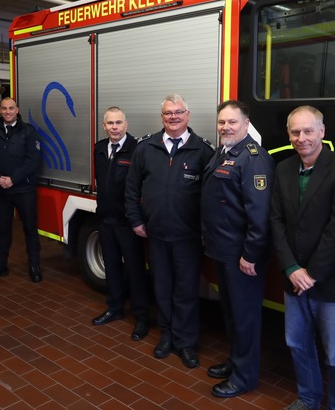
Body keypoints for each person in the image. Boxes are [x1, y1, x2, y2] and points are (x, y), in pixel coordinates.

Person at [271, 106, 335, 410]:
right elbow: (276, 221)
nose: (301, 137)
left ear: (322, 131)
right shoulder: (282, 168)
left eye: (308, 130)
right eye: (295, 131)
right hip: (294, 278)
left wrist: (312, 273)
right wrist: (292, 268)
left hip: (330, 281)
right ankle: (308, 399)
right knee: (297, 344)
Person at [125, 94, 214, 368]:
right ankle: (166, 335)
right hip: (157, 235)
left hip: (188, 237)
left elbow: (211, 198)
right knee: (162, 288)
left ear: (188, 115)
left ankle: (186, 343)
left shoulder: (203, 151)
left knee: (186, 291)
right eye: (167, 113)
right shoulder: (146, 148)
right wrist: (136, 220)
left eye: (178, 112)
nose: (173, 117)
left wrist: (205, 230)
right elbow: (131, 188)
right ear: (161, 117)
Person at [201, 100, 274, 398]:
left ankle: (244, 377)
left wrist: (250, 255)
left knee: (245, 316)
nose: (225, 127)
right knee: (231, 313)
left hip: (241, 255)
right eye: (222, 122)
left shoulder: (253, 158)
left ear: (246, 124)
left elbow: (259, 214)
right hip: (223, 250)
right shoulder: (224, 152)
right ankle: (236, 361)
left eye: (232, 122)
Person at [91, 107, 150, 341]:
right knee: (112, 267)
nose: (114, 127)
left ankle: (142, 318)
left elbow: (142, 185)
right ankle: (114, 308)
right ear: (104, 126)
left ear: (126, 124)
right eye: (110, 123)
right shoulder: (98, 148)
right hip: (105, 219)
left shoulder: (137, 149)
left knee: (136, 272)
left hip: (128, 222)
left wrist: (138, 217)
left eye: (118, 123)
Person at [0, 97, 43, 283]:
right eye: (4, 108)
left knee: (30, 229)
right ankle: (0, 265)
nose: (7, 111)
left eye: (11, 108)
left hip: (23, 188)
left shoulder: (28, 132)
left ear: (17, 110)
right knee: (3, 229)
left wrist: (13, 179)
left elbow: (33, 160)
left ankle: (34, 266)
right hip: (1, 190)